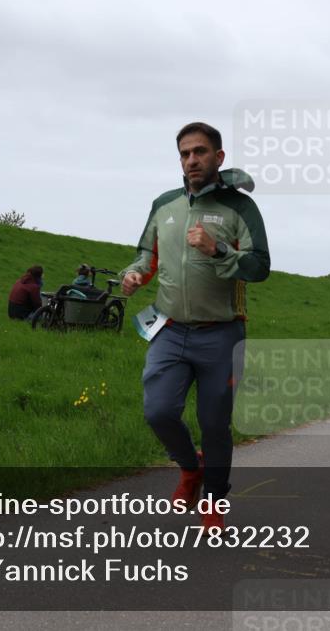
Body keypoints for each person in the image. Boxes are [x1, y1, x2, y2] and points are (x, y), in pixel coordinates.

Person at [120, 121, 270, 532]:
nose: (191, 161)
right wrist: (134, 275)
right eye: (185, 154)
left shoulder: (240, 208)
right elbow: (143, 254)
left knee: (214, 421)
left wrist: (217, 248)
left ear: (218, 157)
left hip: (222, 333)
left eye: (200, 152)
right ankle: (191, 468)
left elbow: (260, 267)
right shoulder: (164, 205)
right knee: (158, 411)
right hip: (169, 329)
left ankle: (215, 499)